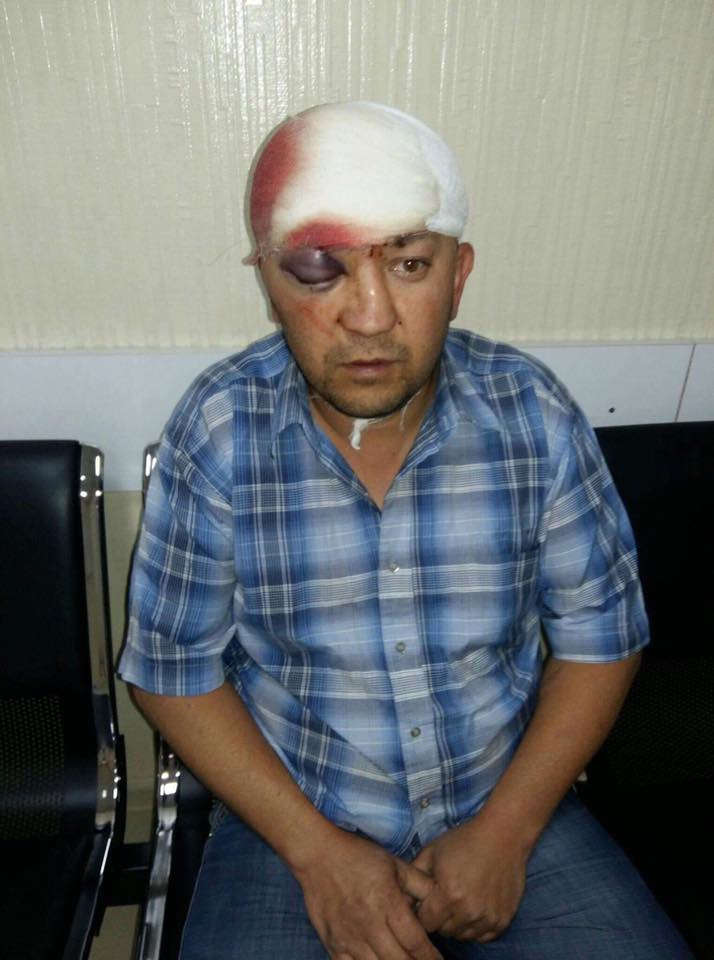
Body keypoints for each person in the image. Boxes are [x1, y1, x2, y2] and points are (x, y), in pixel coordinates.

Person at [119, 101, 692, 960]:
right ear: (270, 283)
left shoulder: (533, 412)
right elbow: (171, 673)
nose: (370, 316)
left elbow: (601, 639)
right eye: (319, 270)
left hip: (514, 803)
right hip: (290, 820)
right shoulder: (219, 430)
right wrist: (318, 854)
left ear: (459, 276)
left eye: (410, 265)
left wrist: (506, 831)